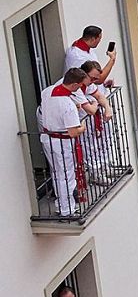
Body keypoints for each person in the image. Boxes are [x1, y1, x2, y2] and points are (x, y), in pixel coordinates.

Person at [39, 67, 89, 217]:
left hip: (47, 137)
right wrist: (82, 128)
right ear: (74, 85)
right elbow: (73, 132)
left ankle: (61, 205)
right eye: (79, 85)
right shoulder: (67, 105)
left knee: (56, 173)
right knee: (67, 175)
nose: (80, 88)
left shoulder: (47, 91)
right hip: (62, 142)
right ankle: (67, 210)